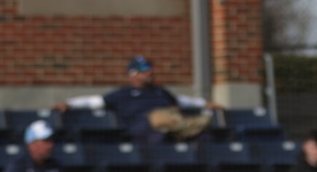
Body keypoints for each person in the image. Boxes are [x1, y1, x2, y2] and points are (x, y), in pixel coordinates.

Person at [60, 57, 215, 145]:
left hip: (171, 126)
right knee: (158, 120)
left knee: (205, 135)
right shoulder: (123, 94)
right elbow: (94, 101)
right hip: (144, 130)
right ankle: (186, 124)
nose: (150, 72)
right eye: (144, 70)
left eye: (150, 69)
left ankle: (186, 125)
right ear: (133, 74)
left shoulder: (159, 91)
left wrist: (203, 103)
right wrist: (69, 103)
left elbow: (181, 100)